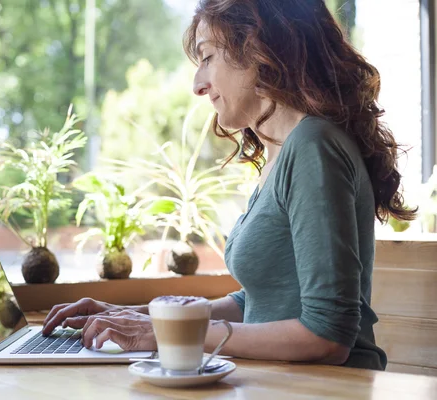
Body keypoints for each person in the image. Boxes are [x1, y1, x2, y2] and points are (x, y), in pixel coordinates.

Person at [42, 0, 416, 370]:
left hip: (328, 389)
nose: (197, 85)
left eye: (207, 58)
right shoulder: (284, 152)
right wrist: (134, 314)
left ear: (257, 49)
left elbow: (327, 335)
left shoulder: (313, 146)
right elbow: (260, 301)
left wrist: (161, 332)